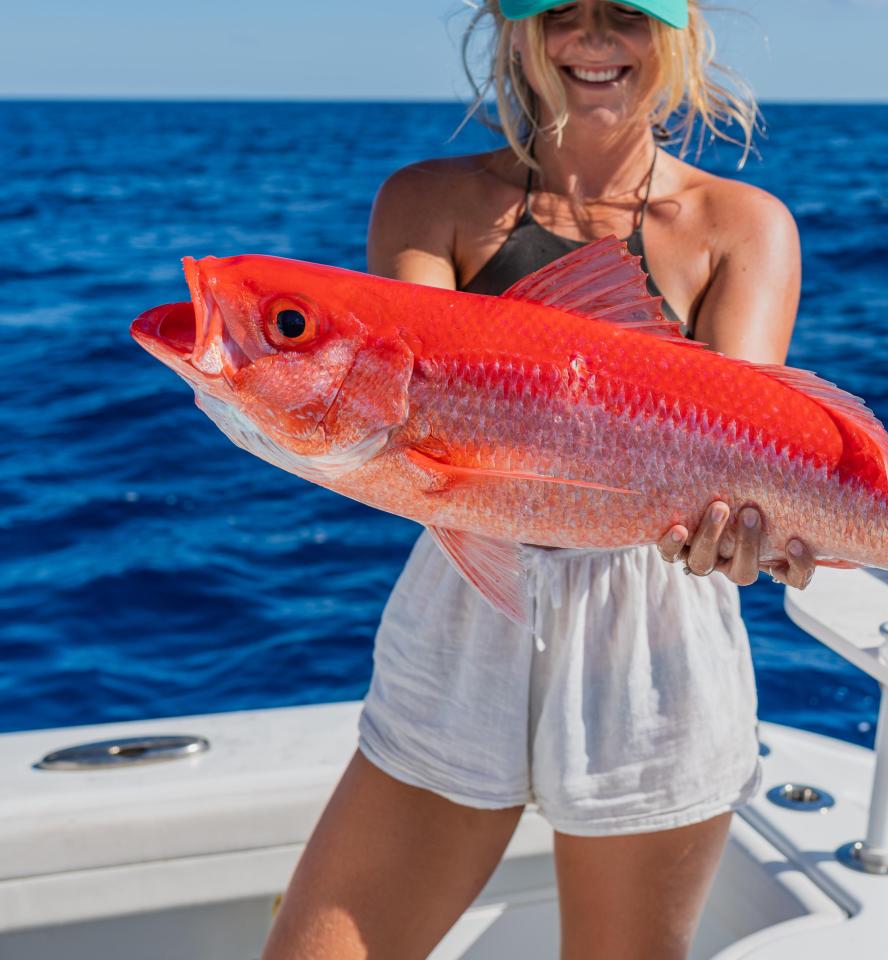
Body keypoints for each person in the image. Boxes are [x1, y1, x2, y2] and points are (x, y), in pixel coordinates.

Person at [262, 2, 813, 957]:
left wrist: (760, 536)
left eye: (627, 15)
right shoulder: (426, 201)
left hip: (657, 624)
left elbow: (748, 446)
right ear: (512, 27)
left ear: (680, 34)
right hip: (465, 594)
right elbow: (414, 408)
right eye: (561, 11)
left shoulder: (741, 225)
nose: (594, 40)